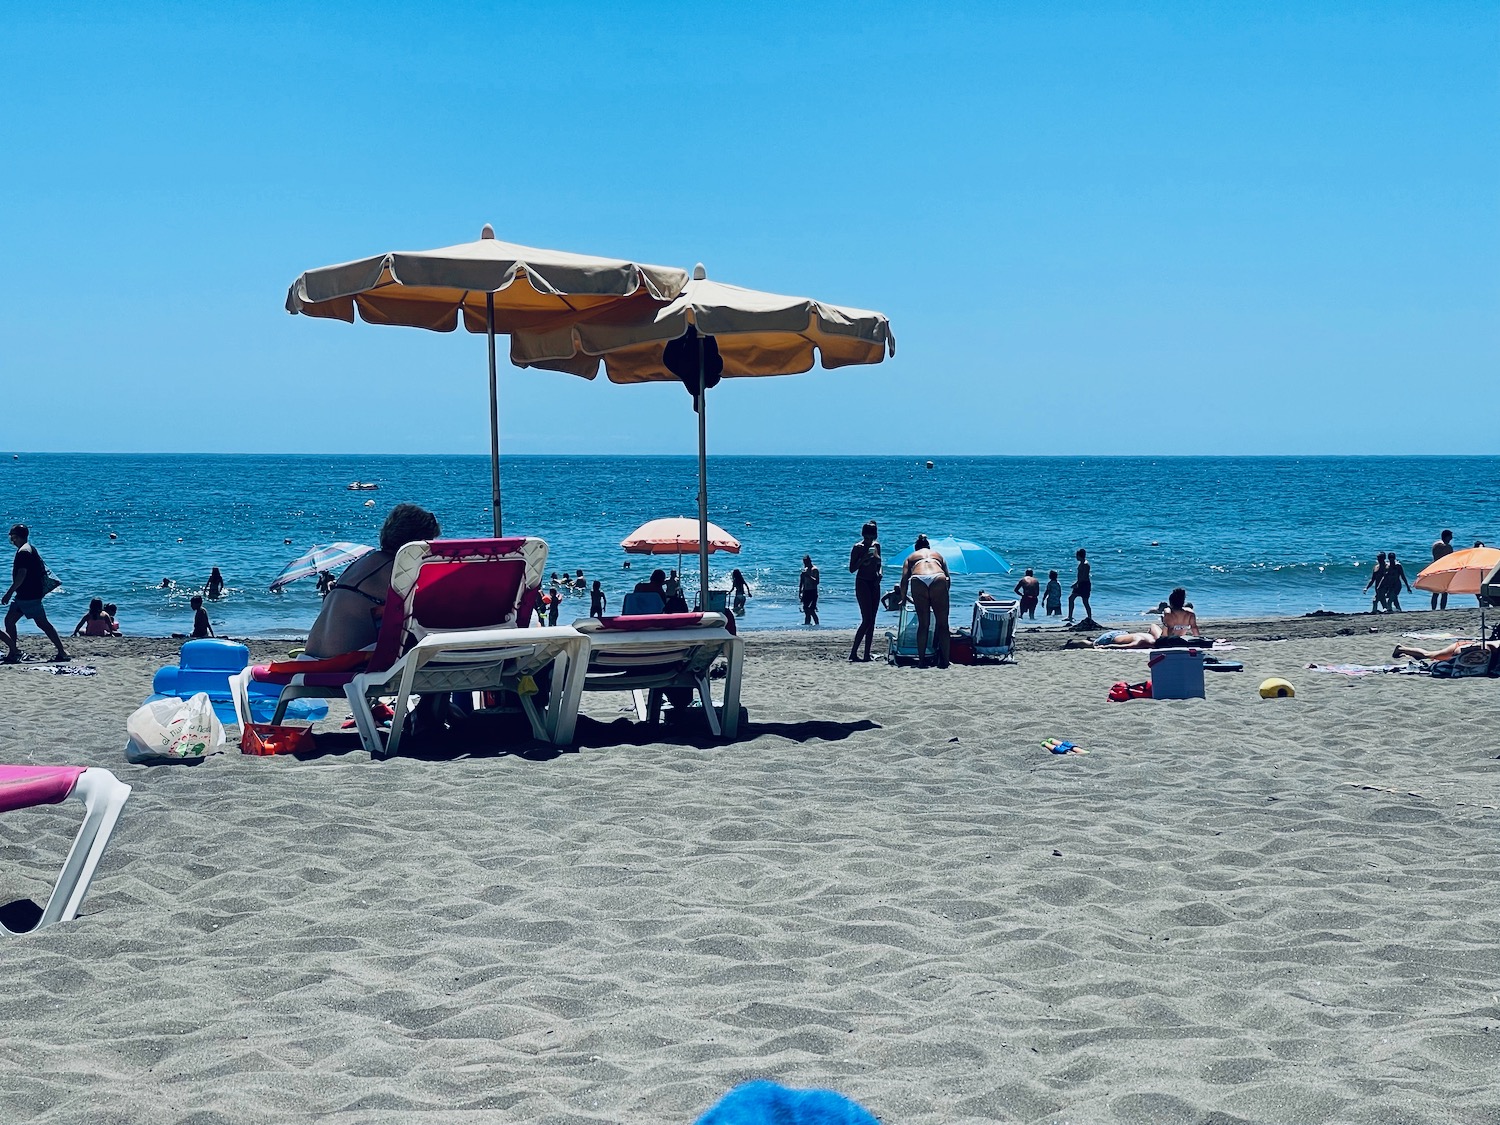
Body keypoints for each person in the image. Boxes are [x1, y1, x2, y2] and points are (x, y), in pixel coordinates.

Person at [304, 503, 440, 658]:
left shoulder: (364, 562)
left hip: (311, 656)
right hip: (341, 663)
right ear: (418, 543)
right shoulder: (396, 568)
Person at [2, 524, 69, 663]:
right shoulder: (29, 548)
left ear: (18, 536)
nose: (12, 540)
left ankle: (62, 652)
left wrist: (9, 593)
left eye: (13, 537)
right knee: (10, 621)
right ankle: (13, 652)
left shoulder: (24, 552)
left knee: (42, 624)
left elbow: (22, 574)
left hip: (28, 596)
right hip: (25, 595)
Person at [899, 534, 951, 668]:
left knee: (923, 624)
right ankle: (945, 661)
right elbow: (948, 578)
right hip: (938, 577)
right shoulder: (937, 555)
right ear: (928, 547)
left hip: (918, 578)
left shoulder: (911, 557)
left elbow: (904, 580)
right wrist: (943, 595)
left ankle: (922, 661)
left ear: (916, 548)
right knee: (943, 625)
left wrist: (903, 597)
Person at [848, 521, 882, 661]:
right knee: (866, 619)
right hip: (862, 582)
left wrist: (880, 573)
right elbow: (852, 569)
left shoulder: (876, 546)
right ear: (863, 535)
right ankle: (854, 652)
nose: (869, 540)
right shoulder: (858, 547)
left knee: (872, 620)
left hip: (874, 582)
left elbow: (880, 563)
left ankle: (867, 654)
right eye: (867, 537)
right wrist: (863, 559)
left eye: (871, 537)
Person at [1393, 638, 1499, 662]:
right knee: (1429, 655)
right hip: (1463, 648)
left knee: (1432, 656)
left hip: (1469, 646)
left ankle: (1409, 654)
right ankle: (1401, 648)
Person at [1066, 549, 1092, 624]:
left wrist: (1076, 583)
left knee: (1085, 602)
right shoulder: (1081, 563)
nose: (1076, 557)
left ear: (1079, 556)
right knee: (1071, 598)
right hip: (1080, 584)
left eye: (1076, 555)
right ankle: (1070, 616)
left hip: (1084, 584)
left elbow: (1084, 576)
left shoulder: (1085, 564)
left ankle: (1090, 618)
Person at [1430, 530, 1454, 610]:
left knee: (1435, 592)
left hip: (1435, 569)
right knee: (1444, 592)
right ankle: (1442, 609)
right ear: (1447, 536)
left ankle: (1433, 609)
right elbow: (1450, 559)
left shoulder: (1435, 545)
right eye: (1450, 536)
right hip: (1444, 570)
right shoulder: (1447, 546)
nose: (1452, 538)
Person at [799, 555, 820, 626]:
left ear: (809, 561)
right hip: (806, 592)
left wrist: (808, 576)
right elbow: (801, 582)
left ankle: (817, 624)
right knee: (806, 610)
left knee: (811, 610)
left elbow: (816, 582)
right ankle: (807, 624)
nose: (805, 564)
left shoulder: (815, 569)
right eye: (804, 562)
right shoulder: (805, 570)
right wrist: (800, 592)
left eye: (806, 562)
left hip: (813, 591)